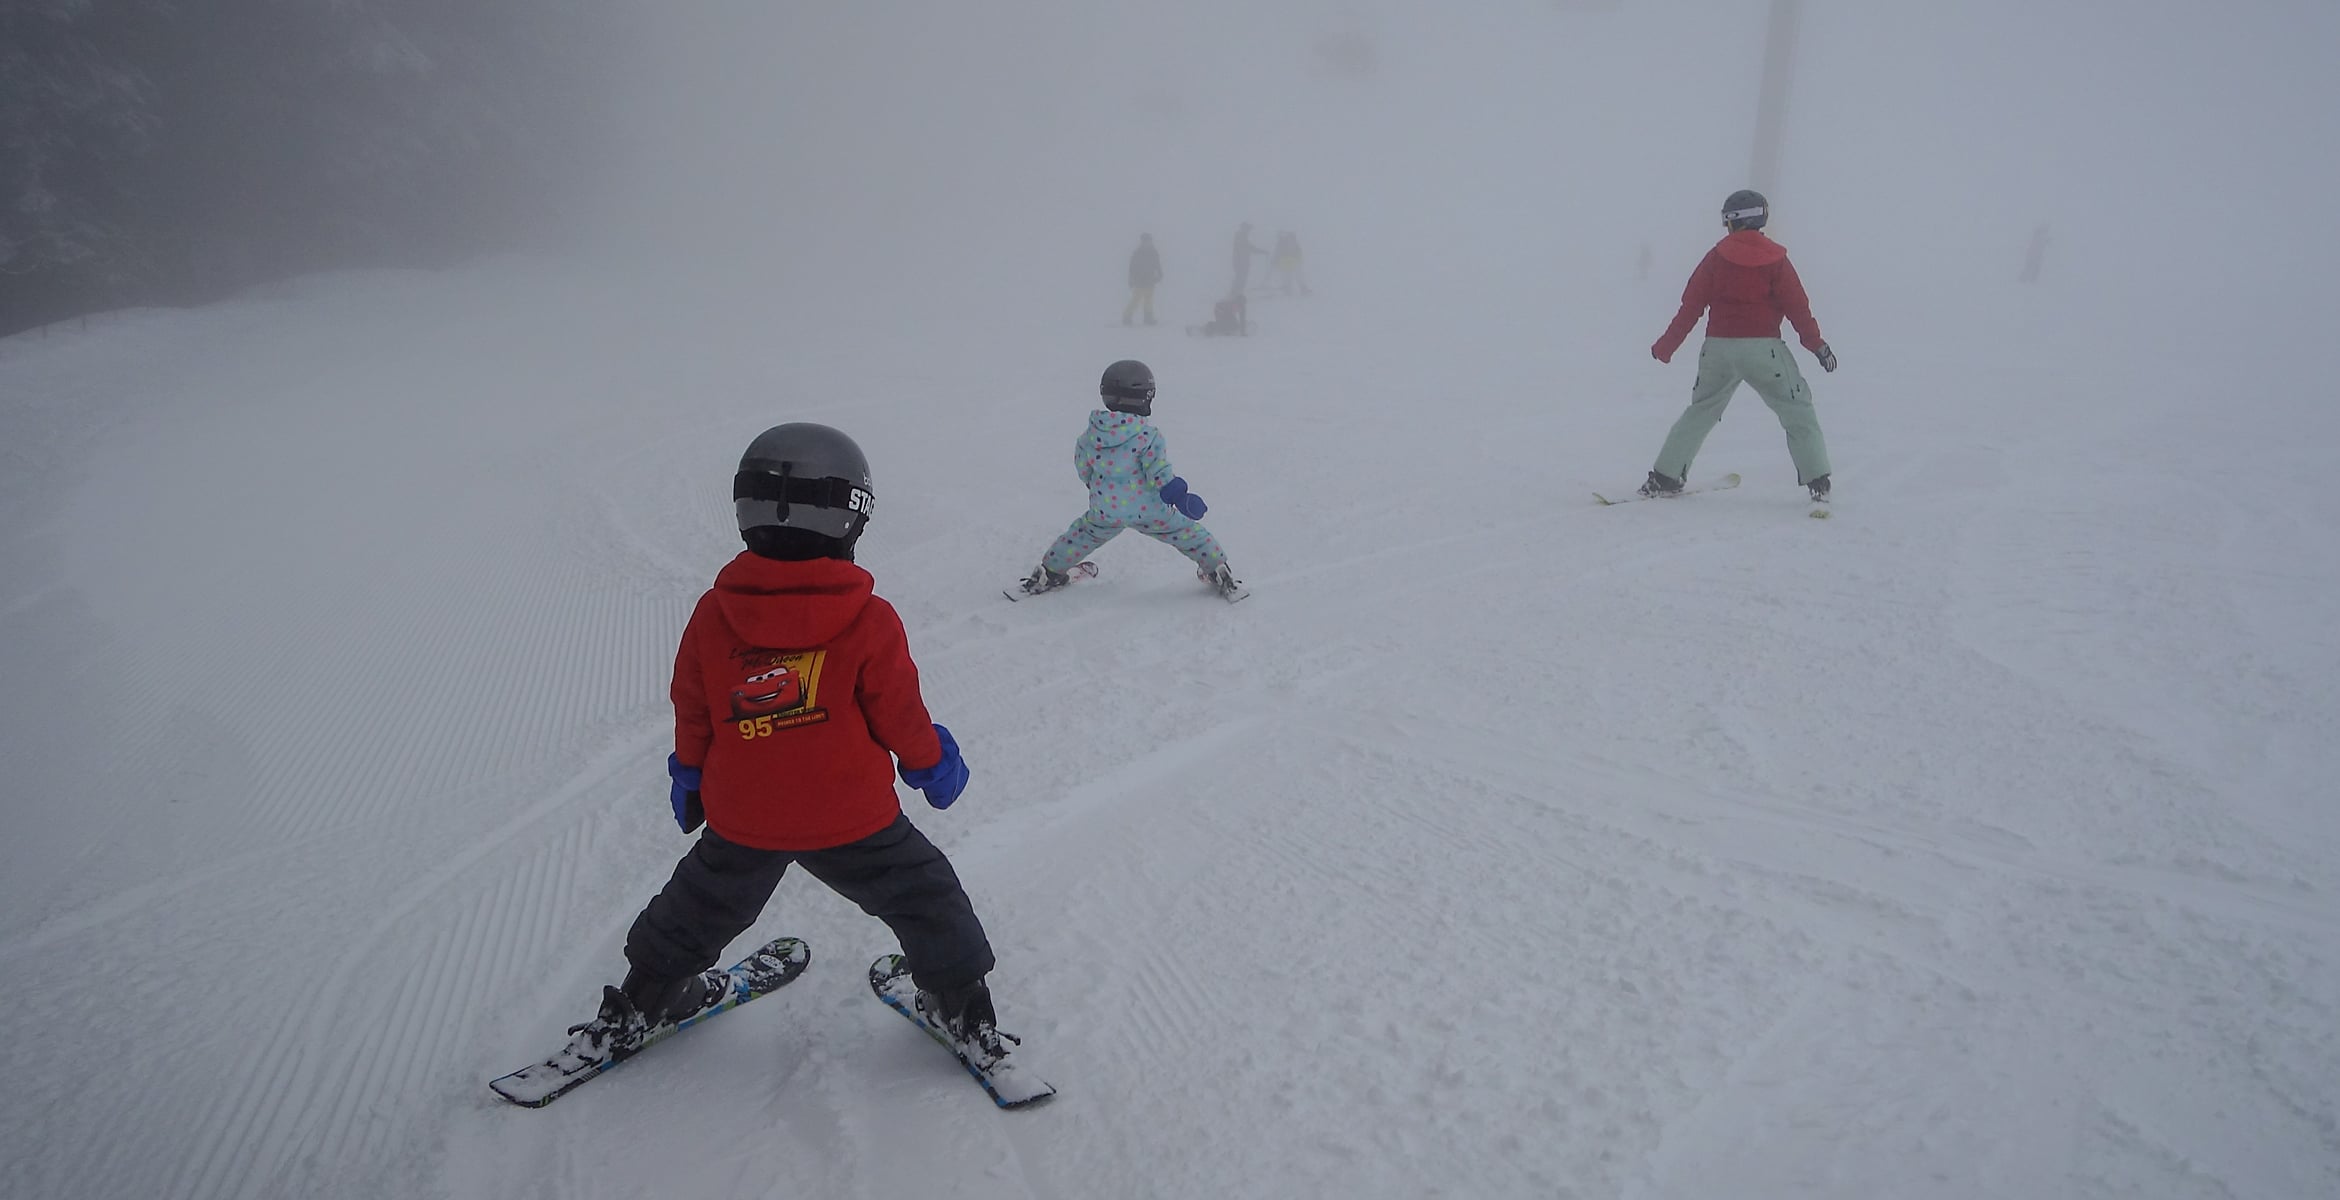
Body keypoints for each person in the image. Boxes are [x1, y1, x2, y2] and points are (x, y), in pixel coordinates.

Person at [561, 423, 1018, 1071]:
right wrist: (930, 762)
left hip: (744, 816)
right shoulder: (868, 618)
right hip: (851, 817)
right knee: (924, 895)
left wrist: (690, 772)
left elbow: (696, 708)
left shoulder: (714, 615)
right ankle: (961, 1005)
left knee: (698, 906)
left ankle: (645, 1001)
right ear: (850, 518)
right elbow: (899, 713)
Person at [1641, 189, 1838, 502]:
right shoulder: (1777, 260)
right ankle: (1818, 480)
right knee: (1796, 409)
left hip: (1718, 350)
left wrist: (1667, 346)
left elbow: (1690, 305)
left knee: (1700, 411)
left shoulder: (1716, 257)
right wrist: (1818, 346)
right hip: (1764, 351)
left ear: (1732, 222)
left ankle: (1664, 477)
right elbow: (1797, 307)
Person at [1020, 360, 1244, 599]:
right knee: (1188, 534)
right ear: (1145, 398)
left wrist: (1098, 489)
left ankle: (1049, 573)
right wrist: (1180, 496)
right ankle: (1218, 569)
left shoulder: (1089, 436)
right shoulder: (1147, 436)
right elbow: (1159, 472)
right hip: (1149, 510)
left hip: (1106, 508)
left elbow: (1084, 470)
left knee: (1081, 535)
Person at [1124, 233, 1162, 325]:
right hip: (1139, 280)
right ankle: (1127, 317)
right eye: (1145, 241)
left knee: (1148, 300)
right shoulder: (1137, 253)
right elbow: (1132, 267)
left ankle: (1148, 318)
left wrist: (1160, 273)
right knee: (1136, 299)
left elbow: (1157, 264)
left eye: (1148, 241)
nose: (1147, 243)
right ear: (1142, 242)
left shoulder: (1153, 252)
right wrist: (1131, 279)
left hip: (1150, 279)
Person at [1229, 222, 1270, 297]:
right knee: (1241, 278)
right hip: (1241, 262)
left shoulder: (1241, 236)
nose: (1249, 231)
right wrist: (1262, 251)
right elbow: (1248, 248)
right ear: (1244, 228)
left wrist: (1262, 251)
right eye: (1248, 229)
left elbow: (1249, 247)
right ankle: (1235, 294)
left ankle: (1235, 293)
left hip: (1241, 261)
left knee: (1240, 278)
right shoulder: (1240, 236)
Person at [1269, 230, 1310, 295]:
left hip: (1284, 262)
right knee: (1298, 275)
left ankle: (1288, 289)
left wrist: (1274, 261)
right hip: (1293, 261)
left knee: (1287, 276)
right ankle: (1302, 289)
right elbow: (1299, 252)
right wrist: (1299, 260)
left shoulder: (1281, 243)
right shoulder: (1293, 243)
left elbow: (1277, 253)